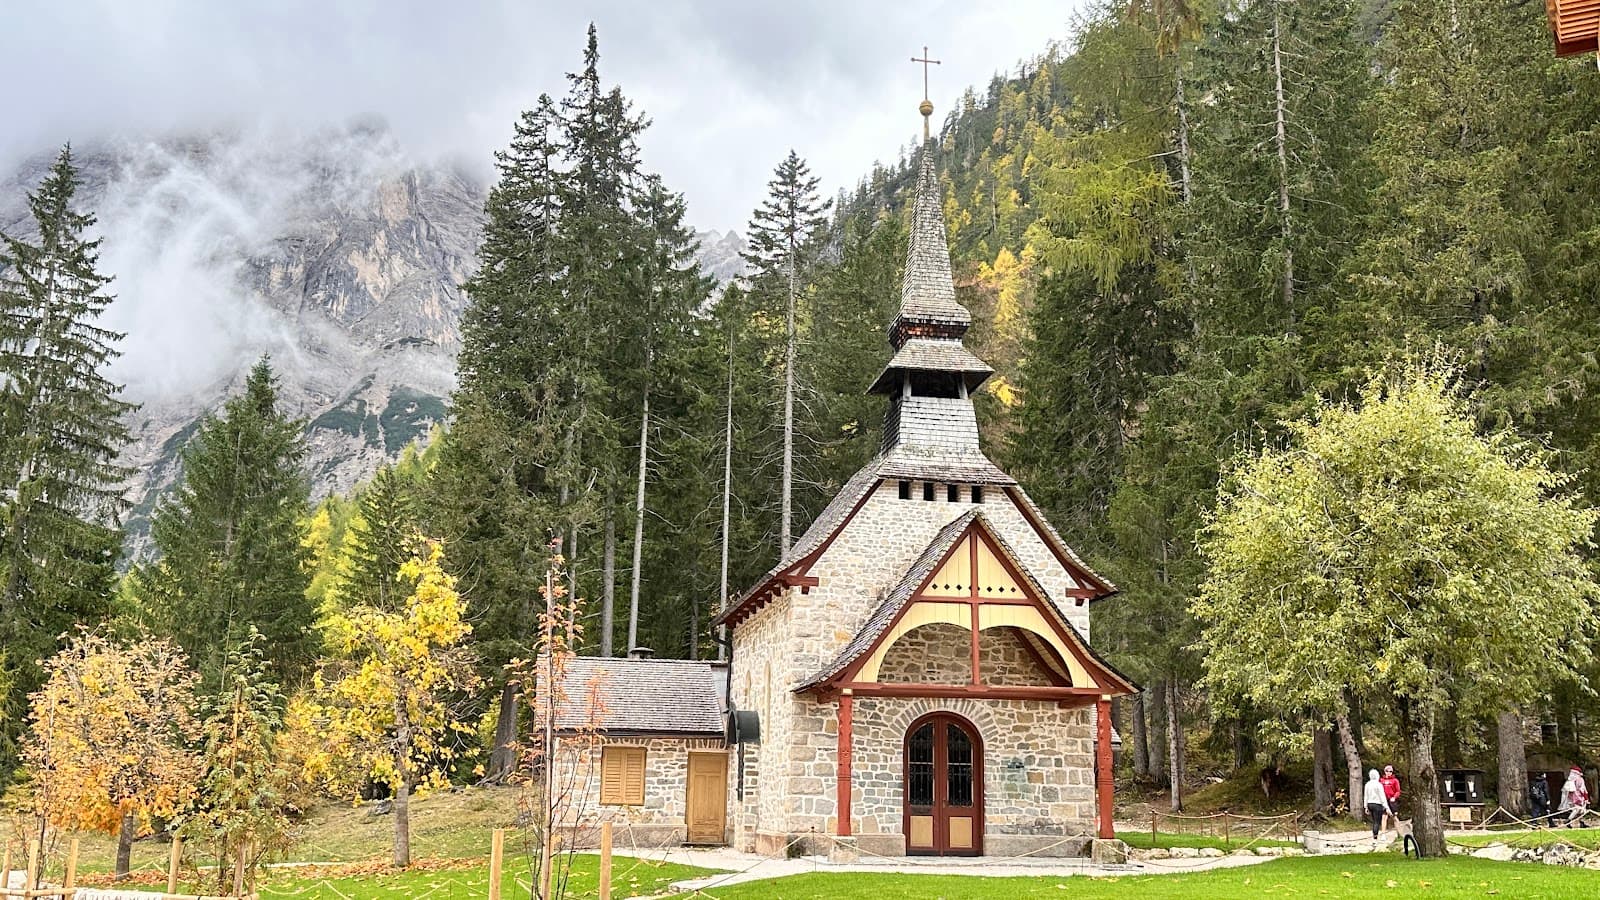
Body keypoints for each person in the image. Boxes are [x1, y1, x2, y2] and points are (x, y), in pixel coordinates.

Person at [1364, 768, 1391, 848]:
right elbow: (1382, 796)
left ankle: (1374, 837)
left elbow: (1366, 796)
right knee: (1377, 822)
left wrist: (1365, 806)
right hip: (1377, 804)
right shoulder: (1379, 785)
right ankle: (1375, 839)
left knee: (1374, 821)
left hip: (1370, 804)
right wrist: (1386, 807)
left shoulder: (1367, 784)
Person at [1380, 765, 1402, 831]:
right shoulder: (1381, 780)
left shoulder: (1395, 780)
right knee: (1384, 817)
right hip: (1384, 800)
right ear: (1385, 771)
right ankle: (1383, 834)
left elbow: (1398, 791)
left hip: (1392, 800)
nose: (1389, 772)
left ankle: (1399, 833)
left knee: (1394, 817)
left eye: (1390, 771)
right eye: (1387, 771)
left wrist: (1394, 797)